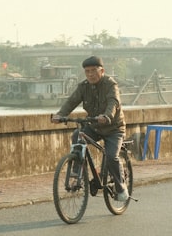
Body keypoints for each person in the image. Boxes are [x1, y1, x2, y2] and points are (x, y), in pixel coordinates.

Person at [51, 55, 129, 202]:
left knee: (112, 156)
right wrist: (60, 115)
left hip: (114, 128)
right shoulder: (84, 87)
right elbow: (71, 101)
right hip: (95, 126)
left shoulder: (110, 84)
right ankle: (76, 173)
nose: (90, 74)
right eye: (87, 71)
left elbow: (113, 102)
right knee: (77, 135)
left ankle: (121, 187)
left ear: (102, 70)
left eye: (94, 70)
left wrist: (107, 116)